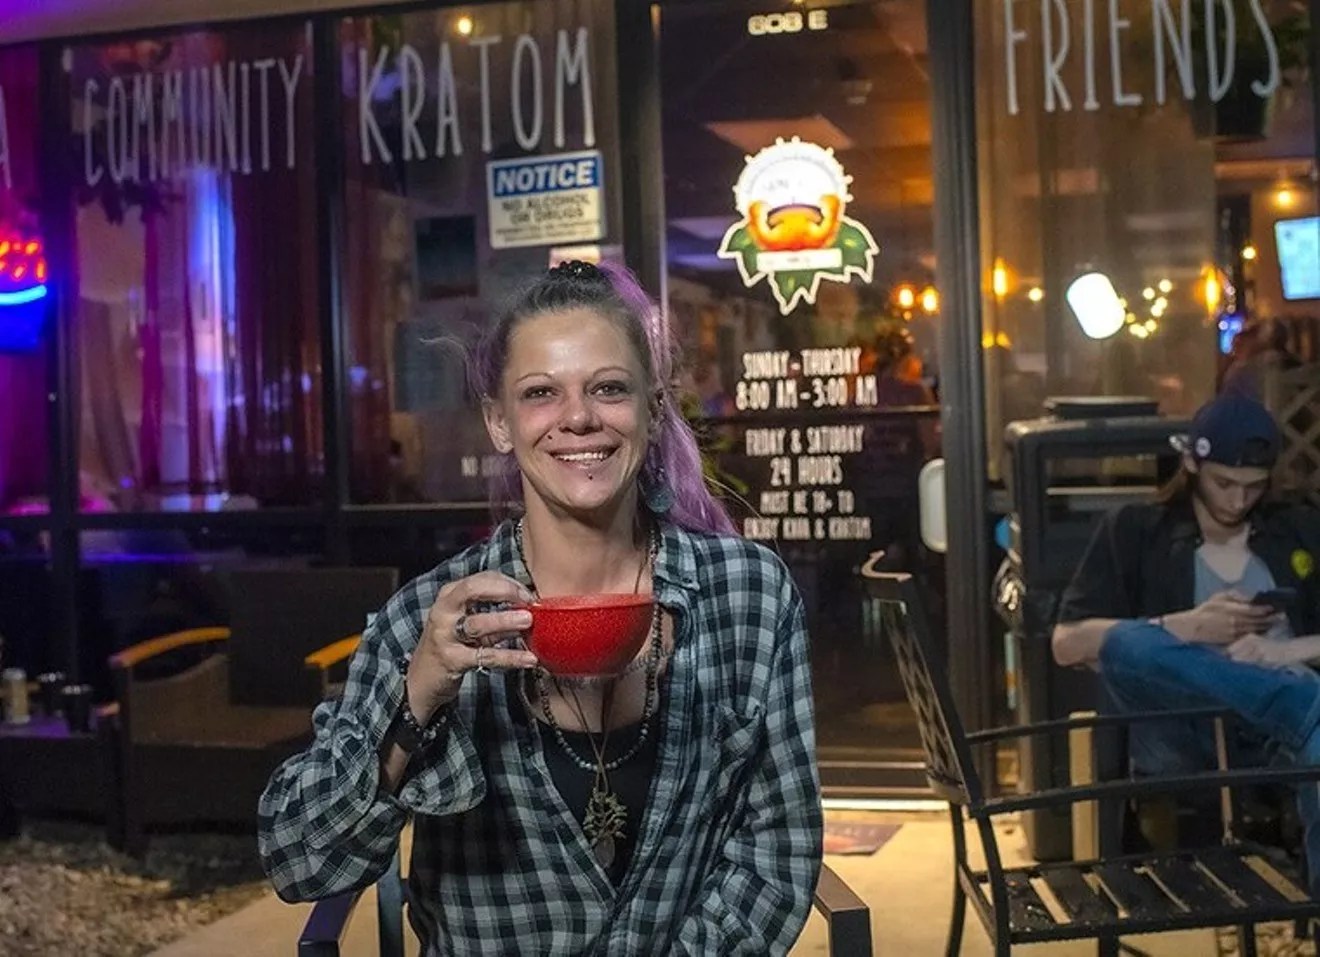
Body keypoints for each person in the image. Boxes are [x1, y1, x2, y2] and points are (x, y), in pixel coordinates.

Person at [258, 261, 823, 953]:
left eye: (609, 388)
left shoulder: (750, 595)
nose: (578, 417)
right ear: (499, 422)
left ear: (651, 407)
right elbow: (298, 857)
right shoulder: (428, 621)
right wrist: (415, 701)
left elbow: (777, 849)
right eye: (540, 393)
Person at [1052, 391, 1320, 892]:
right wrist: (1184, 627)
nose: (1238, 501)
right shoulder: (1136, 530)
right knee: (1126, 645)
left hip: (1281, 731)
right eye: (1224, 483)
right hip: (1184, 728)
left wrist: (1284, 651)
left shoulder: (1297, 529)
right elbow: (1066, 644)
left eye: (1253, 487)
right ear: (1192, 464)